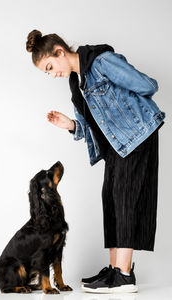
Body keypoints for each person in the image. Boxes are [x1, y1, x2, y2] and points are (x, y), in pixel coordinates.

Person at [26, 30, 166, 294]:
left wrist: (128, 113)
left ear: (59, 52)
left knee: (125, 198)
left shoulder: (101, 61)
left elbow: (148, 86)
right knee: (111, 199)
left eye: (50, 67)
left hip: (136, 136)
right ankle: (115, 270)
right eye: (47, 72)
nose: (52, 74)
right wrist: (70, 125)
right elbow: (91, 127)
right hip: (115, 145)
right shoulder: (76, 81)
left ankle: (124, 275)